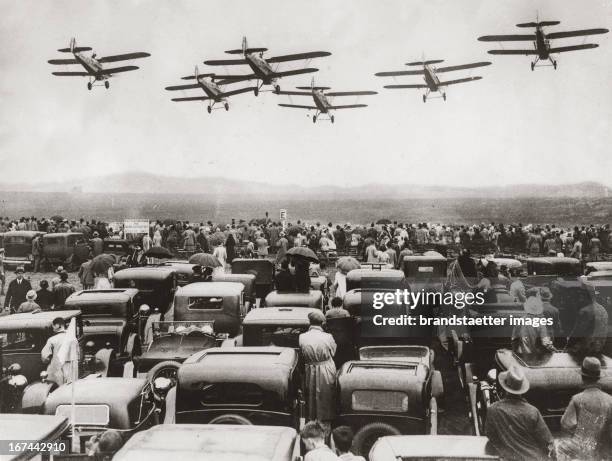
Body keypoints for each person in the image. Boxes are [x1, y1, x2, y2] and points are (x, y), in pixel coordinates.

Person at [485, 365, 554, 461]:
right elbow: (547, 442)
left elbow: (490, 435)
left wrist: (505, 450)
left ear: (505, 387)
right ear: (521, 389)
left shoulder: (493, 409)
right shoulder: (532, 411)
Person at [558, 357, 612, 460]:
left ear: (583, 377)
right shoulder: (610, 400)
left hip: (583, 455)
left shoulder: (577, 399)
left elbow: (566, 425)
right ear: (598, 377)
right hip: (605, 455)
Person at [299, 311, 337, 428]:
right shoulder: (328, 337)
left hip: (310, 370)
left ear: (310, 322)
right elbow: (333, 352)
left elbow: (301, 354)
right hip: (326, 369)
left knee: (311, 397)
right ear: (322, 323)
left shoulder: (302, 337)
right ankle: (325, 424)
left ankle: (312, 423)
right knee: (326, 396)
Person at [568, 286, 608, 361]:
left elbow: (577, 333)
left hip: (585, 349)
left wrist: (567, 345)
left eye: (581, 296)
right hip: (599, 348)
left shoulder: (585, 311)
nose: (579, 299)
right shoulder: (603, 309)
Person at [511, 288, 555, 357]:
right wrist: (553, 349)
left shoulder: (520, 320)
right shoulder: (540, 322)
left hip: (520, 353)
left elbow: (514, 338)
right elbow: (545, 342)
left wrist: (514, 351)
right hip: (533, 354)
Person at [41, 317, 68, 385]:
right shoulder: (73, 339)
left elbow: (44, 358)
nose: (52, 328)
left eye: (53, 325)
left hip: (56, 373)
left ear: (58, 325)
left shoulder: (52, 340)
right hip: (71, 373)